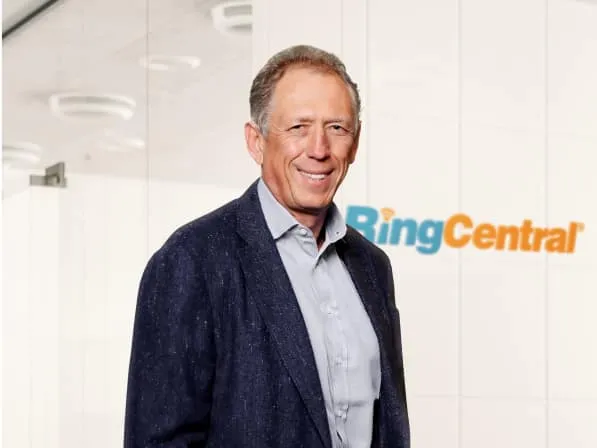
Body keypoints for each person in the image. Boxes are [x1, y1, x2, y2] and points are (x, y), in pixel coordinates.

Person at [124, 44, 410, 448]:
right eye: (298, 127)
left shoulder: (372, 266)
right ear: (256, 141)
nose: (319, 149)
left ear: (356, 142)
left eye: (337, 128)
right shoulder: (192, 260)